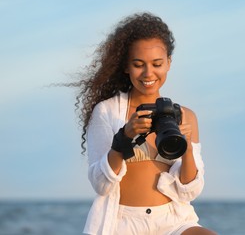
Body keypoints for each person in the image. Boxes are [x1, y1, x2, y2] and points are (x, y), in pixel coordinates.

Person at [73, 12, 216, 235]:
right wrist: (123, 139)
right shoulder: (107, 112)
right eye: (139, 64)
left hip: (173, 221)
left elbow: (189, 191)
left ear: (168, 62)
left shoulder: (186, 116)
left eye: (157, 63)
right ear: (126, 66)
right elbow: (101, 185)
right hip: (122, 223)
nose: (148, 73)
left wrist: (186, 150)